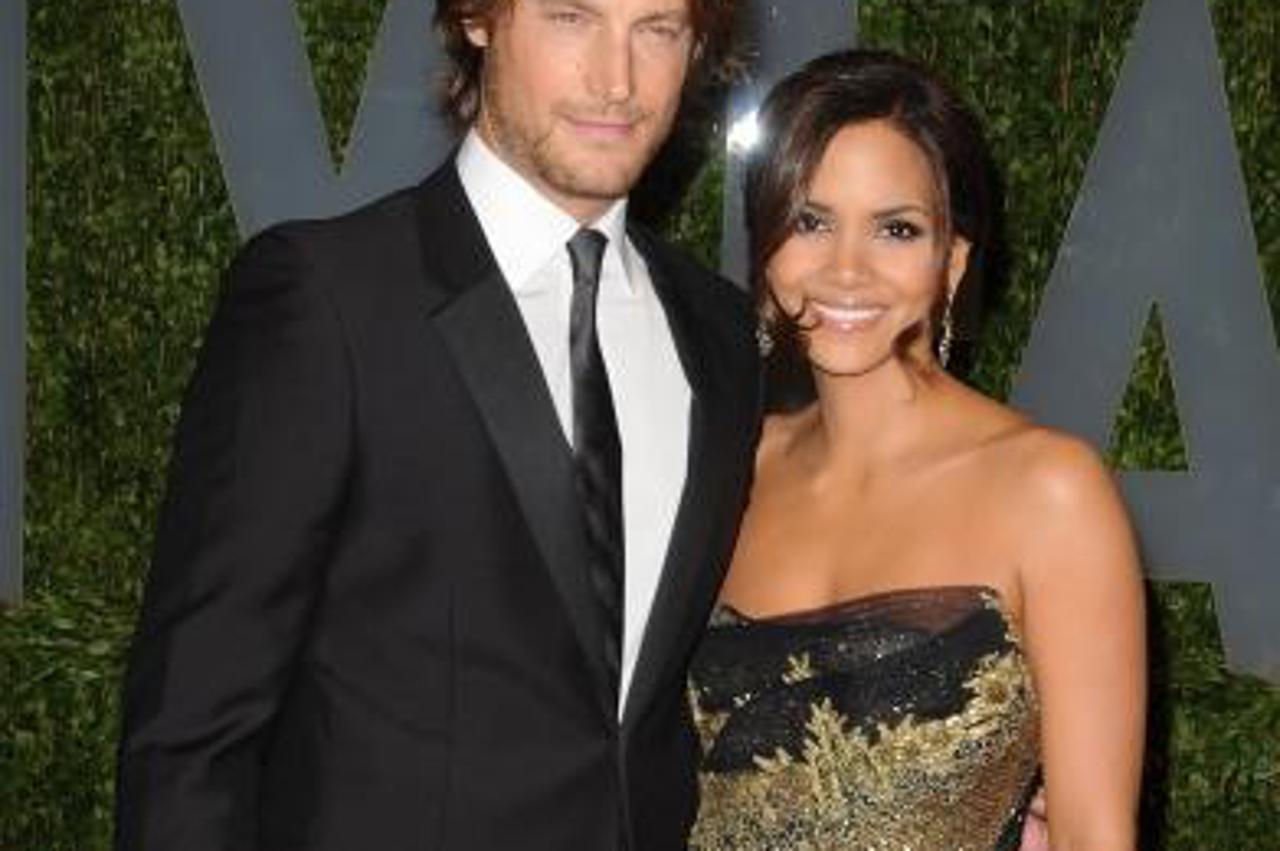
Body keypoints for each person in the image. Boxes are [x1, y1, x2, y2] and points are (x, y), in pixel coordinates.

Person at [114, 1, 761, 849]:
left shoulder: (717, 332)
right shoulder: (331, 297)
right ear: (479, 20)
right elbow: (192, 725)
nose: (618, 79)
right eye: (572, 17)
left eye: (658, 29)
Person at [686, 50, 1146, 850]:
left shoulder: (1048, 489)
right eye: (810, 221)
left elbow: (1095, 836)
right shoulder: (729, 466)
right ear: (764, 251)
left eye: (896, 228)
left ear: (951, 262)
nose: (847, 269)